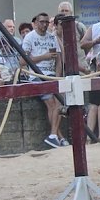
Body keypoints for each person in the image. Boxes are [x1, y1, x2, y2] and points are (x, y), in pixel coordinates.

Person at [23, 12, 66, 147]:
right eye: (42, 22)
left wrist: (57, 77)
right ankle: (57, 136)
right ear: (36, 23)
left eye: (47, 22)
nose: (44, 25)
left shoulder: (52, 38)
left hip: (51, 75)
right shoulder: (29, 37)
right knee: (52, 104)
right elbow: (23, 61)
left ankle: (54, 136)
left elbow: (59, 60)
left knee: (59, 103)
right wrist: (44, 56)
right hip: (37, 75)